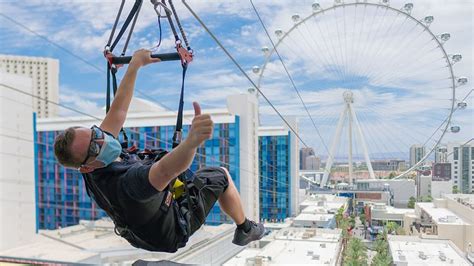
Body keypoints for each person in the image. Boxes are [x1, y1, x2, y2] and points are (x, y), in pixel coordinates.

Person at [53, 49, 265, 252]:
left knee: (178, 176)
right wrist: (192, 141)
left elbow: (118, 109)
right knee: (220, 175)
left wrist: (135, 65)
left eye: (94, 133)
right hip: (171, 232)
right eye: (93, 146)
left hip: (143, 227)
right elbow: (166, 170)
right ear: (86, 168)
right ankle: (245, 229)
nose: (102, 139)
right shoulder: (127, 185)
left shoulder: (95, 157)